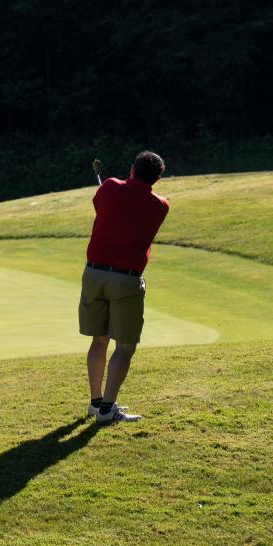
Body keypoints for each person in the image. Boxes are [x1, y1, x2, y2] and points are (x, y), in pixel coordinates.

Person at [81, 151, 170, 423]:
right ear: (157, 178)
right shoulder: (160, 205)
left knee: (99, 340)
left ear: (132, 169)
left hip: (94, 273)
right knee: (125, 347)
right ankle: (107, 409)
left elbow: (102, 207)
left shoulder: (108, 186)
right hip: (126, 280)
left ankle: (96, 403)